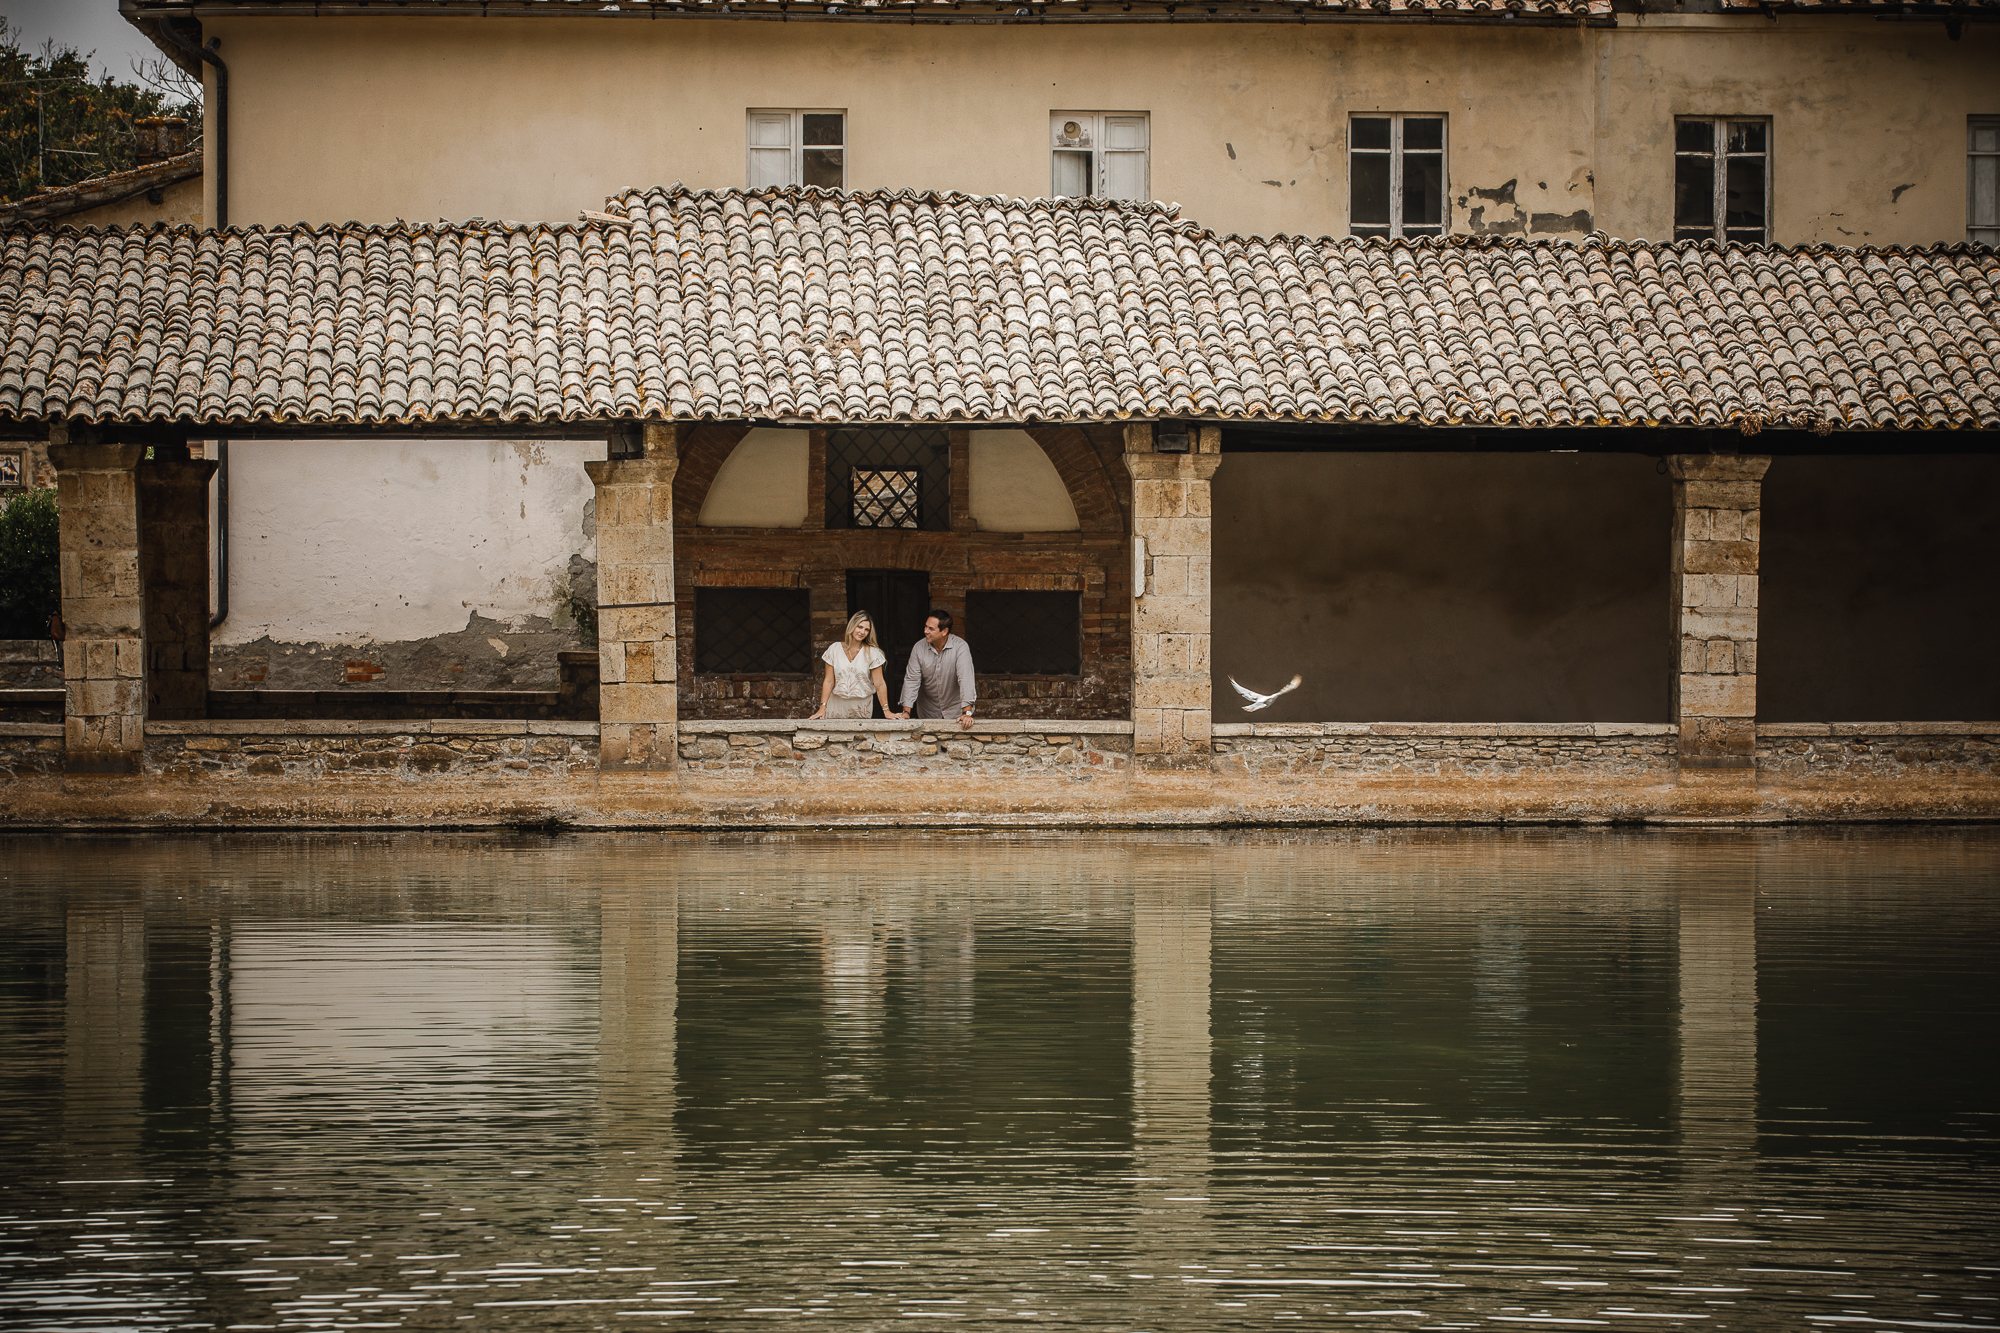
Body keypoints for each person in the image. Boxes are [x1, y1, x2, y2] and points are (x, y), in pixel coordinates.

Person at [895, 608, 977, 731]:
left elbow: (965, 678)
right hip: (928, 711)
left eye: (931, 629)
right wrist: (906, 712)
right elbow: (912, 680)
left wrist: (967, 713)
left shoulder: (960, 647)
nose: (925, 631)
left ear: (944, 631)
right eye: (925, 626)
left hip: (955, 712)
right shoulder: (918, 648)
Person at [810, 610, 894, 721]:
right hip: (836, 705)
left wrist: (886, 711)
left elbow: (879, 684)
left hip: (862, 706)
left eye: (866, 629)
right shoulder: (834, 649)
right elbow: (829, 681)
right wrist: (822, 707)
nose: (862, 632)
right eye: (859, 627)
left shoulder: (872, 653)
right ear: (852, 626)